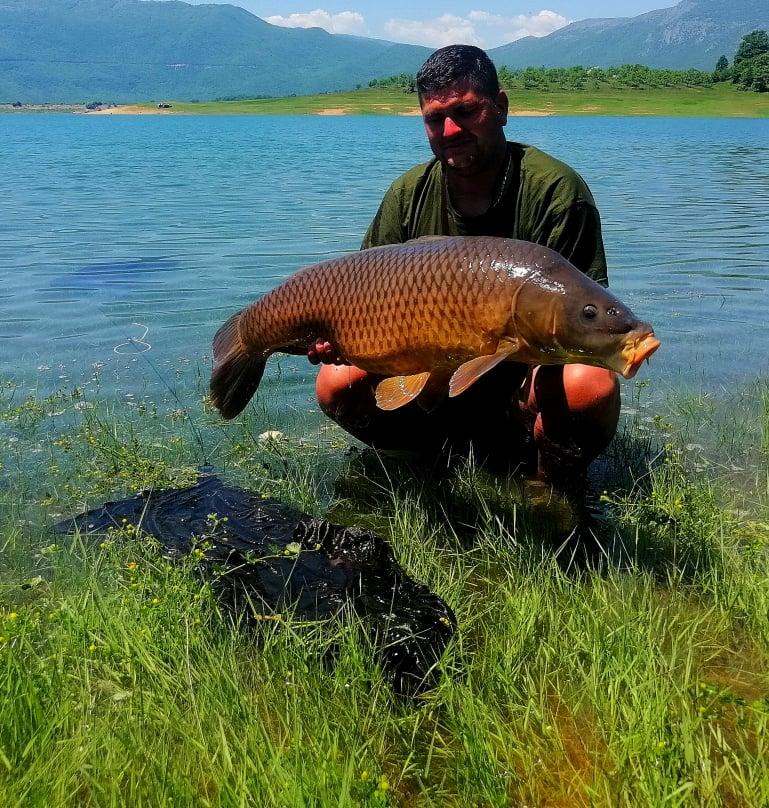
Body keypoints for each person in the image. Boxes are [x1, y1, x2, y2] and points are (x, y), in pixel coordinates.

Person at [310, 44, 620, 488]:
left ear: (501, 107)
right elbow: (359, 296)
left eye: (466, 111)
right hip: (429, 375)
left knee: (588, 384)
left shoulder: (556, 191)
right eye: (435, 119)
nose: (450, 129)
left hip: (522, 379)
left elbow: (580, 324)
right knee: (335, 383)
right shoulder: (408, 193)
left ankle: (549, 487)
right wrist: (339, 339)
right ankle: (420, 468)